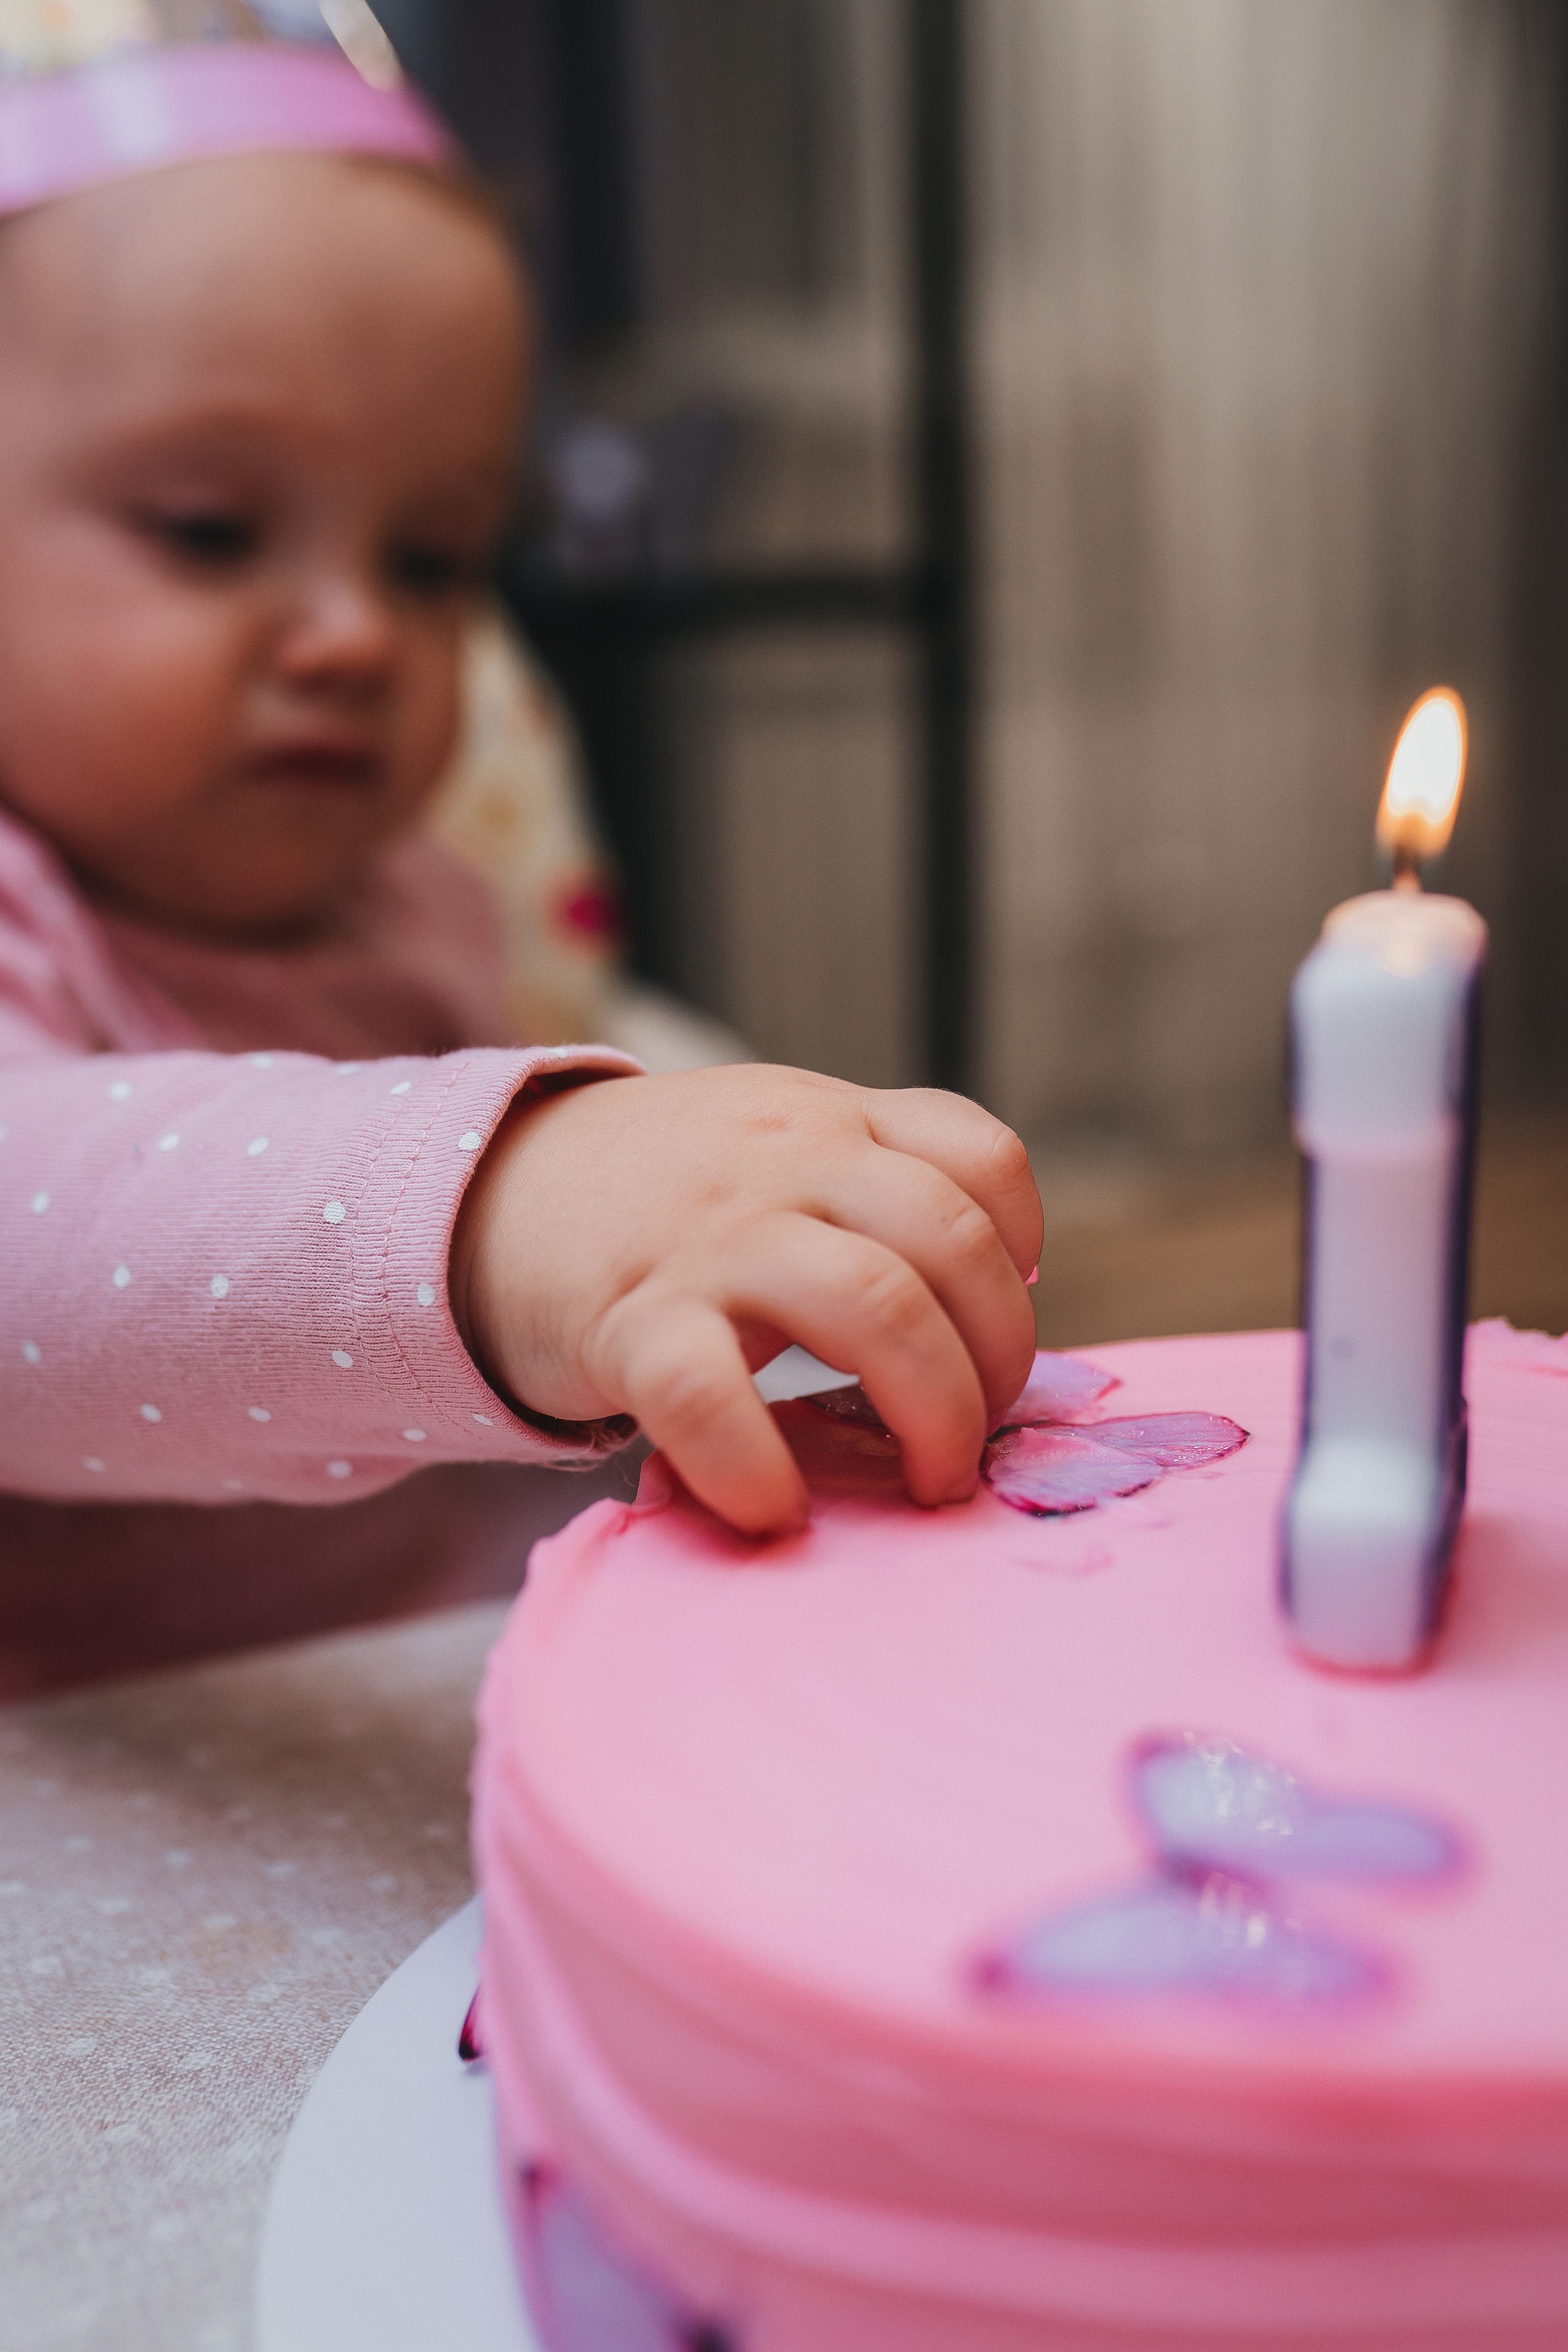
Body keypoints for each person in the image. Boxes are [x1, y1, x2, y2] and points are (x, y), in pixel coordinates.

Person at [0, 2, 1041, 1683]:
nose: (352, 636)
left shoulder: (413, 890)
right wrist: (502, 1210)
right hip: (109, 1815)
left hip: (495, 1696)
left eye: (430, 560)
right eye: (209, 529)